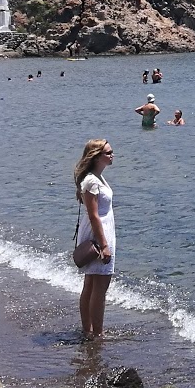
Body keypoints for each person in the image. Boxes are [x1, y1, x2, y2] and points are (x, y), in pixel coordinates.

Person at [72, 139, 115, 341]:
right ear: (96, 156)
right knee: (99, 285)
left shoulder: (98, 178)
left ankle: (88, 331)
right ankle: (96, 333)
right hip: (98, 234)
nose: (112, 155)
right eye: (108, 152)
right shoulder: (91, 181)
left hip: (101, 231)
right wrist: (104, 244)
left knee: (91, 283)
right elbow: (93, 215)